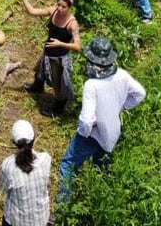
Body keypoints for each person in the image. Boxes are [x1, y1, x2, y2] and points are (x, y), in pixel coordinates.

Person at [58, 36, 146, 202]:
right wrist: (121, 107)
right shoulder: (122, 74)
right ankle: (100, 200)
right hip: (113, 132)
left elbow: (86, 120)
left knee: (68, 163)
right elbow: (140, 93)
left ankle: (64, 205)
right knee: (101, 165)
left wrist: (83, 134)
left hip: (93, 134)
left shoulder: (92, 85)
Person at [15, 0, 80, 117]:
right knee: (39, 69)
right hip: (48, 51)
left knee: (58, 84)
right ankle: (38, 86)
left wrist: (60, 43)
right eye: (59, 5)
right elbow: (32, 11)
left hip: (60, 58)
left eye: (64, 7)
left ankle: (57, 110)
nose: (60, 9)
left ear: (69, 7)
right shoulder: (53, 11)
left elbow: (78, 46)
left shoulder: (72, 24)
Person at [0, 120, 51, 226]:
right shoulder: (46, 159)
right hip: (40, 220)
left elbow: (3, 188)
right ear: (34, 139)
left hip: (16, 221)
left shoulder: (8, 165)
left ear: (14, 142)